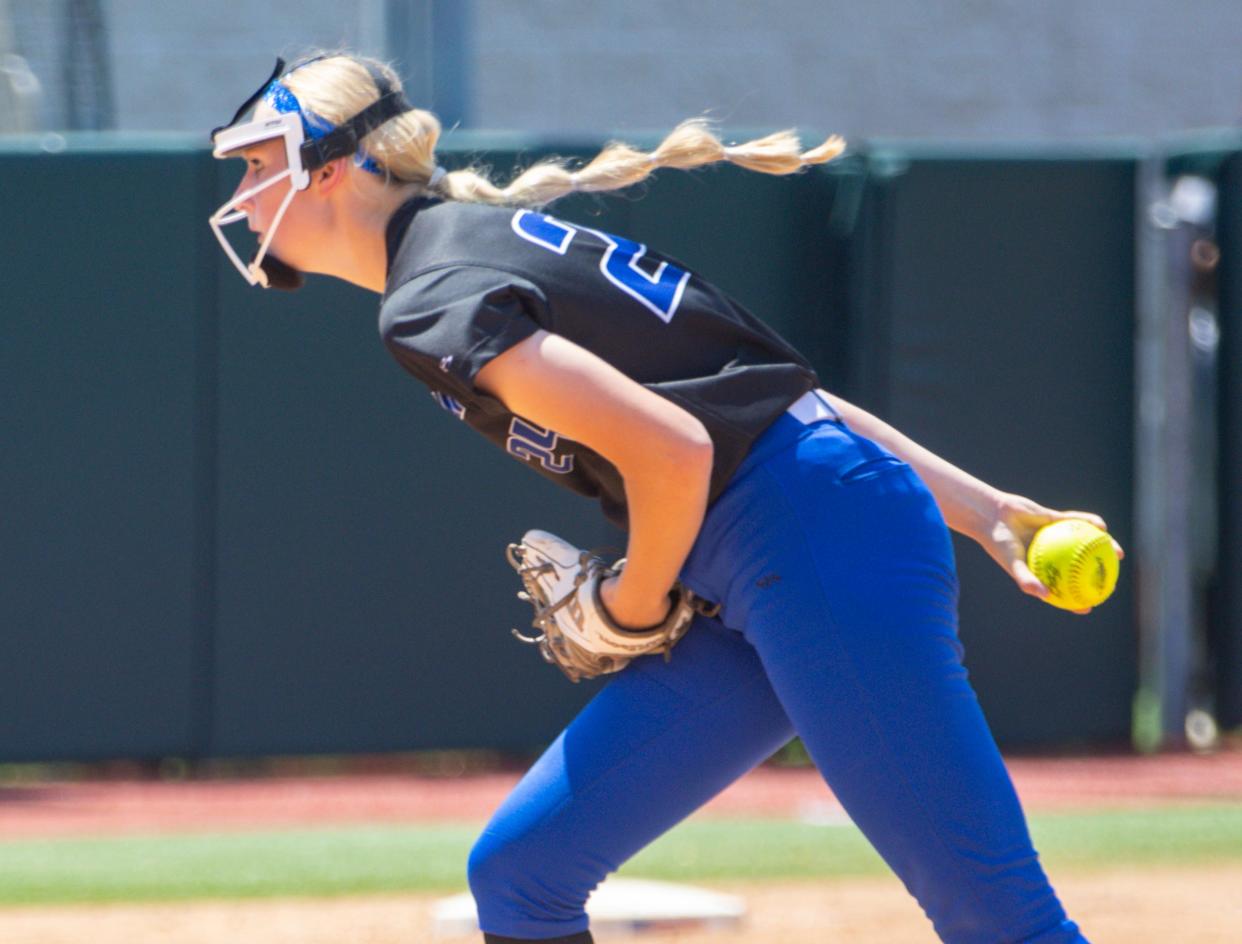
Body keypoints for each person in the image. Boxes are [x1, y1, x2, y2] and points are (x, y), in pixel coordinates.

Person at [210, 54, 1122, 944]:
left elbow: (679, 448)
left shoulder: (429, 293)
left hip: (814, 548)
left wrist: (628, 608)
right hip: (772, 555)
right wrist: (988, 511)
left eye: (257, 165)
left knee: (1001, 921)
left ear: (326, 172)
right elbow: (780, 403)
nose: (243, 194)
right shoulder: (470, 247)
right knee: (522, 877)